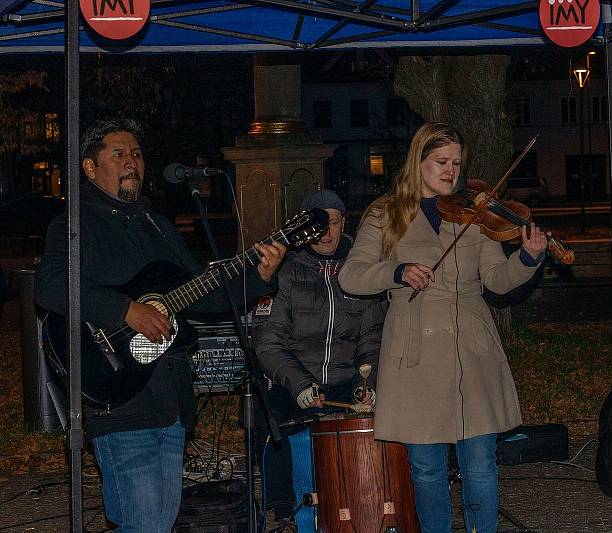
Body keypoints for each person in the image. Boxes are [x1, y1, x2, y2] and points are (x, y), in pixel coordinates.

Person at [35, 118, 286, 532]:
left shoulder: (157, 226)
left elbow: (202, 295)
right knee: (147, 524)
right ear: (89, 168)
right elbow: (50, 285)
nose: (132, 162)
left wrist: (259, 276)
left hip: (169, 400)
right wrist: (125, 310)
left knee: (155, 524)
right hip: (120, 396)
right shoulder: (75, 224)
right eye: (118, 154)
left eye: (136, 153)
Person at [337, 123, 547, 533]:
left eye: (456, 163)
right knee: (426, 466)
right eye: (441, 162)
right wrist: (396, 271)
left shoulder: (474, 212)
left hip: (471, 345)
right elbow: (352, 275)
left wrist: (528, 258)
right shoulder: (386, 212)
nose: (451, 171)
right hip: (414, 348)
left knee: (481, 462)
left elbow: (497, 279)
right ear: (419, 161)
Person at [252, 189, 385, 529]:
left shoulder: (361, 269)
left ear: (344, 223)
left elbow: (372, 338)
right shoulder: (284, 270)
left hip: (344, 383)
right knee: (280, 421)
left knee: (375, 419)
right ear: (303, 228)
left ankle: (364, 508)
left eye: (334, 223)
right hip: (295, 380)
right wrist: (299, 384)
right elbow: (268, 342)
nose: (326, 233)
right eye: (318, 225)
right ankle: (289, 511)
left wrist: (365, 384)